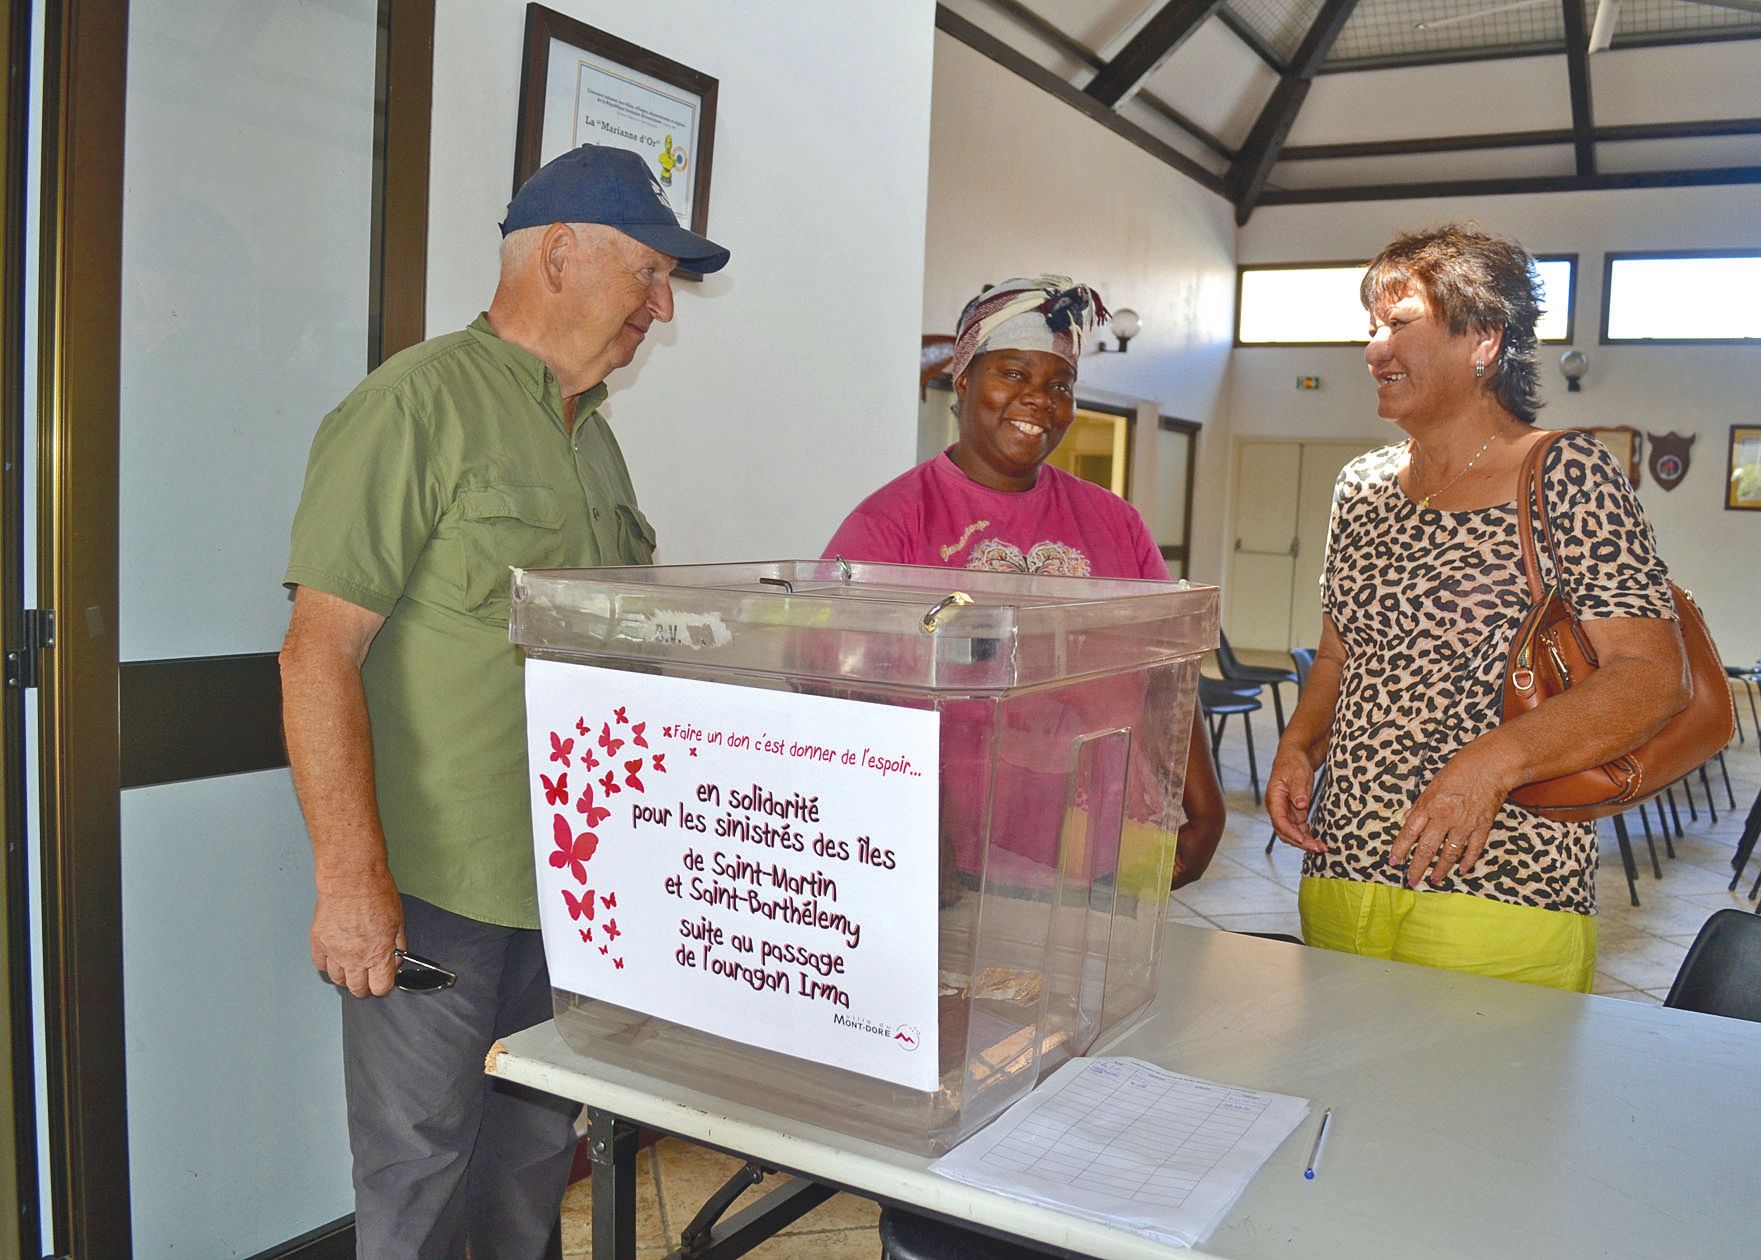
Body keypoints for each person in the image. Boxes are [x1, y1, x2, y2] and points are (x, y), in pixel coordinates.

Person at [278, 144, 729, 1259]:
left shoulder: (595, 444)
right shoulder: (414, 405)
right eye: (649, 273)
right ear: (559, 255)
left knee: (529, 1169)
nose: (663, 306)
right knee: (420, 1179)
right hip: (435, 891)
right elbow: (317, 655)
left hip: (569, 891)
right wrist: (349, 881)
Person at [1264, 225, 1688, 992]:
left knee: (1483, 1072)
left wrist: (1491, 764)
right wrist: (1300, 744)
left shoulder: (1564, 472)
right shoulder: (1360, 488)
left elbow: (1651, 675)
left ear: (1483, 340)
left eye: (1399, 324)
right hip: (1344, 862)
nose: (1374, 350)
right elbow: (1339, 653)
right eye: (1369, 329)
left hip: (1501, 878)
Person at [825, 275, 1225, 889]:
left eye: (1059, 385)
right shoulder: (891, 524)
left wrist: (1206, 806)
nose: (1038, 399)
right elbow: (839, 696)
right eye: (1013, 373)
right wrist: (899, 828)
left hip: (1099, 841)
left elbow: (1171, 670)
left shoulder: (1115, 522)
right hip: (947, 850)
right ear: (963, 379)